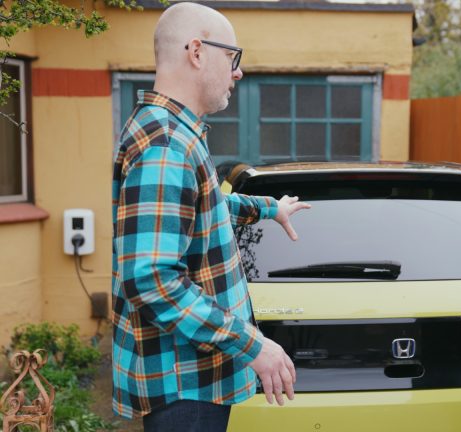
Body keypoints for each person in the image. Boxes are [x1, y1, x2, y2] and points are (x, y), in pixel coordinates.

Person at [111, 3, 311, 431]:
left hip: (192, 382)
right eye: (232, 57)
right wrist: (253, 345)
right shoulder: (166, 146)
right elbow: (151, 279)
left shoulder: (176, 132)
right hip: (187, 385)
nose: (237, 72)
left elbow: (203, 207)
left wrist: (269, 209)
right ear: (197, 52)